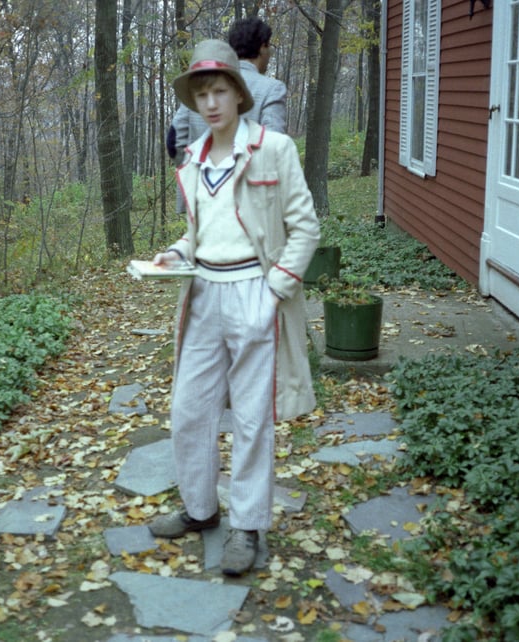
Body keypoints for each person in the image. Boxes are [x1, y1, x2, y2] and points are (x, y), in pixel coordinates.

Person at [147, 39, 319, 577]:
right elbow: (200, 233)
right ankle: (200, 510)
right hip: (202, 296)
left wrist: (274, 292)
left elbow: (305, 228)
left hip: (254, 291)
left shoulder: (273, 149)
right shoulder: (194, 160)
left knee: (250, 416)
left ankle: (247, 527)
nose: (211, 103)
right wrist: (175, 253)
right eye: (202, 94)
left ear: (239, 94)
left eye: (220, 90)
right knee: (189, 409)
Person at [171, 17, 288, 209]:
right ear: (262, 47)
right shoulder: (271, 89)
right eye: (270, 47)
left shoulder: (204, 86)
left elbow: (175, 140)